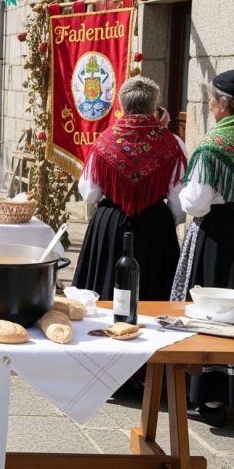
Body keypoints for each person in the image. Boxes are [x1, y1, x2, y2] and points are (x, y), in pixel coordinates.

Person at [171, 69, 234, 425]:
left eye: (211, 98)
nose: (208, 104)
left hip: (220, 237)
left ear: (223, 105)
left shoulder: (213, 146)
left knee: (215, 310)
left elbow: (195, 203)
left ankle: (213, 397)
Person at [73, 76, 187, 301]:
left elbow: (89, 193)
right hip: (154, 225)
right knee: (153, 291)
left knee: (104, 289)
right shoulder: (172, 142)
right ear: (154, 107)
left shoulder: (104, 141)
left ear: (122, 106)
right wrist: (165, 221)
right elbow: (179, 199)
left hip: (110, 223)